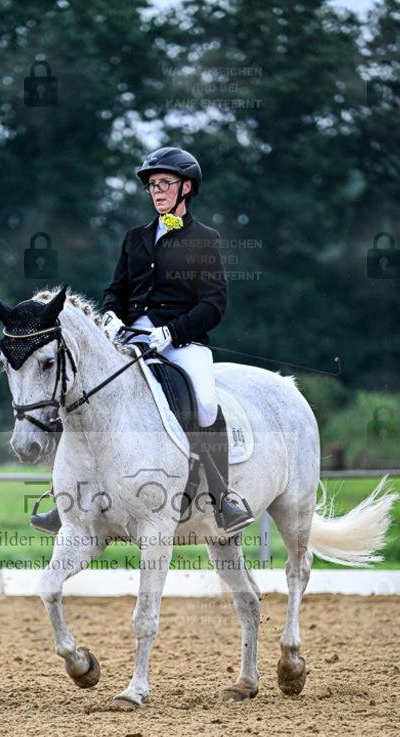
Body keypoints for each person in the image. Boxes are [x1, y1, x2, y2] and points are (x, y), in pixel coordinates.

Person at [30, 146, 255, 536]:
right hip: (129, 339)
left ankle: (222, 499)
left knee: (204, 402)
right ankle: (64, 496)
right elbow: (115, 289)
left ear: (186, 187)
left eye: (165, 183)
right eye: (152, 185)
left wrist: (173, 332)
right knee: (80, 392)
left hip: (182, 343)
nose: (157, 191)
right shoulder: (135, 237)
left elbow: (214, 304)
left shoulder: (204, 239)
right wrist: (112, 315)